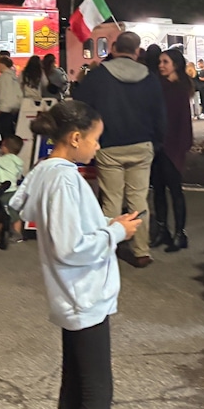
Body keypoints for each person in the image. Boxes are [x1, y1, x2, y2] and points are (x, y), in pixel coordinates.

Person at [8, 100, 140, 409]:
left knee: (78, 394)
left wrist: (107, 227)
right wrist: (115, 232)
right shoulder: (66, 180)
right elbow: (72, 246)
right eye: (95, 139)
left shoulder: (46, 173)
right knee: (95, 397)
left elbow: (67, 230)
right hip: (83, 297)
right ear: (76, 137)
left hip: (72, 297)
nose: (97, 148)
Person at [74, 31, 165, 268]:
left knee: (111, 200)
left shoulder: (97, 77)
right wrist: (156, 143)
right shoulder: (150, 78)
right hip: (142, 145)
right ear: (137, 52)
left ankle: (108, 249)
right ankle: (141, 250)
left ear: (113, 49)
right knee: (139, 199)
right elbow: (159, 115)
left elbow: (82, 108)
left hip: (109, 145)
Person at [150, 48, 194, 252]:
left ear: (175, 64)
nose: (161, 65)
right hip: (157, 146)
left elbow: (184, 122)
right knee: (158, 190)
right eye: (160, 61)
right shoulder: (158, 86)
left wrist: (182, 147)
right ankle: (162, 229)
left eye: (165, 62)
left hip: (173, 147)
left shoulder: (180, 89)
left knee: (175, 191)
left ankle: (179, 233)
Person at [0, 56, 21, 138]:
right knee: (12, 131)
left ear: (3, 65)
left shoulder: (2, 78)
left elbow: (1, 95)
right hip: (15, 108)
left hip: (4, 109)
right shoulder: (15, 77)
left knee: (5, 132)